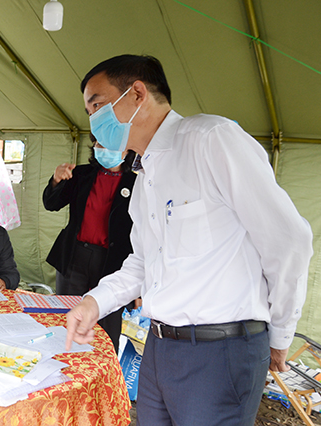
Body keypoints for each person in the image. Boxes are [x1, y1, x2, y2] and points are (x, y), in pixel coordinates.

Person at [64, 54, 313, 426]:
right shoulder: (145, 172)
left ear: (136, 94)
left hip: (220, 351)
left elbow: (288, 239)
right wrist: (94, 303)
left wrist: (280, 334)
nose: (92, 120)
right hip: (161, 346)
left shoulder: (211, 140)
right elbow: (143, 262)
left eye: (97, 105)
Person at [43, 134, 136, 353]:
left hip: (113, 263)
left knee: (108, 321)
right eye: (98, 142)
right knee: (68, 313)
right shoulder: (81, 174)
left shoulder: (136, 181)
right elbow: (51, 203)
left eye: (110, 143)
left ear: (127, 149)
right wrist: (56, 180)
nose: (101, 147)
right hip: (74, 255)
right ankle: (65, 363)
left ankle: (104, 369)